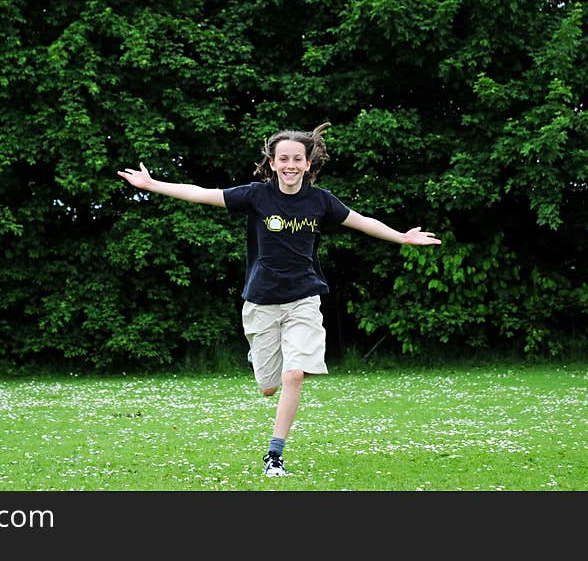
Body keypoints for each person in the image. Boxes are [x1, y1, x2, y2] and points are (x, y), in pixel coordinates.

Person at [117, 123, 441, 477]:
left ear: (307, 163)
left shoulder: (320, 201)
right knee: (269, 387)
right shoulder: (257, 196)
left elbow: (361, 221)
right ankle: (258, 355)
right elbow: (201, 193)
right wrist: (152, 185)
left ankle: (275, 455)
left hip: (303, 297)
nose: (290, 165)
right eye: (283, 158)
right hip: (261, 301)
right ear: (272, 163)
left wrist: (401, 238)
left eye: (296, 159)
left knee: (295, 375)